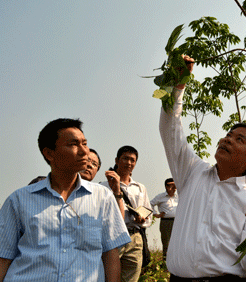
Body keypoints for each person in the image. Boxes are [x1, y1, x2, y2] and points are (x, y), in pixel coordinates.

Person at [159, 55, 246, 281]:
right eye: (228, 135)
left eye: (239, 139)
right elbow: (170, 128)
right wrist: (178, 85)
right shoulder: (192, 172)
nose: (227, 140)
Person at [0, 118, 130, 282]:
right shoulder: (19, 200)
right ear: (49, 153)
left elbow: (110, 253)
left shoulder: (102, 197)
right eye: (73, 144)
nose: (84, 152)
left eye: (84, 143)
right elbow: (3, 257)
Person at [101, 145, 152, 282]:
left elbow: (148, 214)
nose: (129, 163)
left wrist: (143, 220)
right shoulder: (103, 187)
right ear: (117, 160)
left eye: (132, 160)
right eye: (125, 159)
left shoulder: (140, 188)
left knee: (131, 277)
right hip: (113, 236)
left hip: (135, 236)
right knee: (108, 276)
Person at [150, 178, 178, 265]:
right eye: (171, 185)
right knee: (166, 242)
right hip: (166, 222)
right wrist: (156, 214)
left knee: (178, 242)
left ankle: (176, 263)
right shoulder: (161, 196)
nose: (173, 187)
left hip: (178, 222)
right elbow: (150, 204)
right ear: (166, 186)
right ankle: (166, 264)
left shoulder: (179, 196)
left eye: (175, 185)